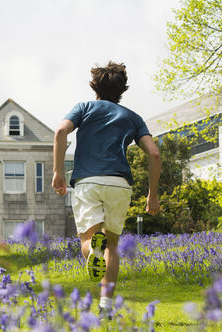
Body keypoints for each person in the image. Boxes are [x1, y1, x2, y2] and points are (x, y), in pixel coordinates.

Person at [52, 61, 161, 318]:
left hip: (88, 182)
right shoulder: (133, 118)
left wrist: (57, 171)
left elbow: (60, 132)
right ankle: (105, 307)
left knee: (88, 241)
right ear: (122, 89)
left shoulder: (84, 108)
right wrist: (152, 194)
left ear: (95, 87)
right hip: (119, 184)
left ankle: (92, 250)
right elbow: (154, 154)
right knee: (112, 245)